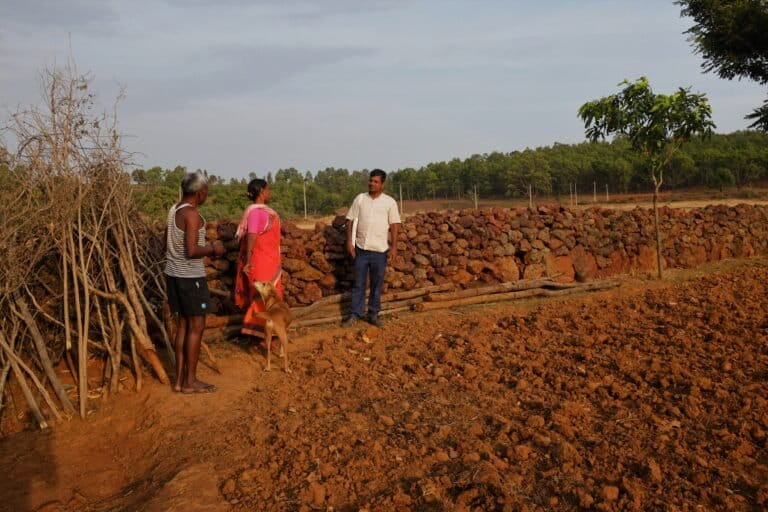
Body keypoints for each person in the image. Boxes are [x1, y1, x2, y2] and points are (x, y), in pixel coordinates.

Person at [164, 171, 225, 393]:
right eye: (206, 192)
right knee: (197, 327)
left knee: (183, 326)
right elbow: (191, 251)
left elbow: (167, 243)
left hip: (173, 274)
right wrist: (213, 248)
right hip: (190, 277)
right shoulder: (192, 215)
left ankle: (180, 381)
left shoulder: (174, 210)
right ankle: (190, 381)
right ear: (201, 193)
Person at [343, 169, 401, 328]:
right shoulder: (360, 199)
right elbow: (349, 220)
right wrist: (350, 241)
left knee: (376, 284)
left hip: (380, 251)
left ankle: (373, 314)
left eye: (376, 181)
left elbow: (394, 225)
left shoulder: (389, 202)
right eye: (370, 180)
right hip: (361, 249)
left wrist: (394, 246)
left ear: (382, 184)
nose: (372, 184)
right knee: (359, 283)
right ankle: (355, 314)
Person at [234, 178, 284, 340]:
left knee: (271, 297)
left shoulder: (264, 212)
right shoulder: (256, 213)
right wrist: (248, 261)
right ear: (262, 191)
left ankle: (270, 334)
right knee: (263, 297)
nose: (269, 193)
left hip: (269, 261)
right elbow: (252, 237)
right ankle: (258, 334)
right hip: (261, 261)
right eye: (268, 190)